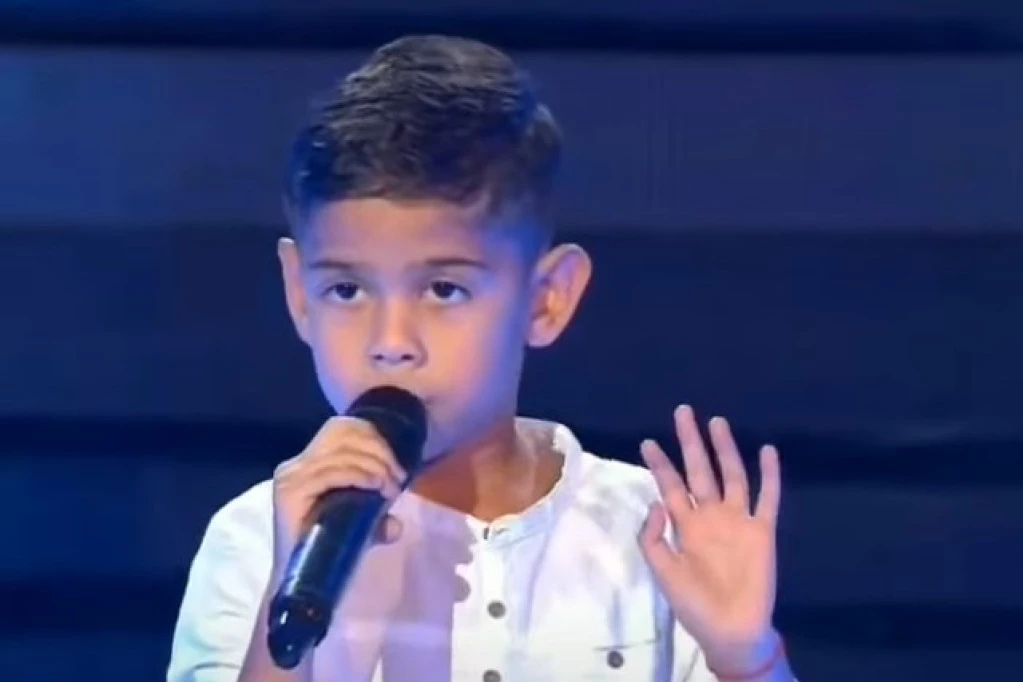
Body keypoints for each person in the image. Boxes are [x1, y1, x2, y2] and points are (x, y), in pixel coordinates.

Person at [167, 35, 796, 682]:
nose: (391, 341)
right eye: (347, 290)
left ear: (546, 300)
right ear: (299, 295)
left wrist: (745, 659)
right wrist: (290, 598)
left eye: (444, 289)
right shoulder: (256, 541)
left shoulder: (650, 533)